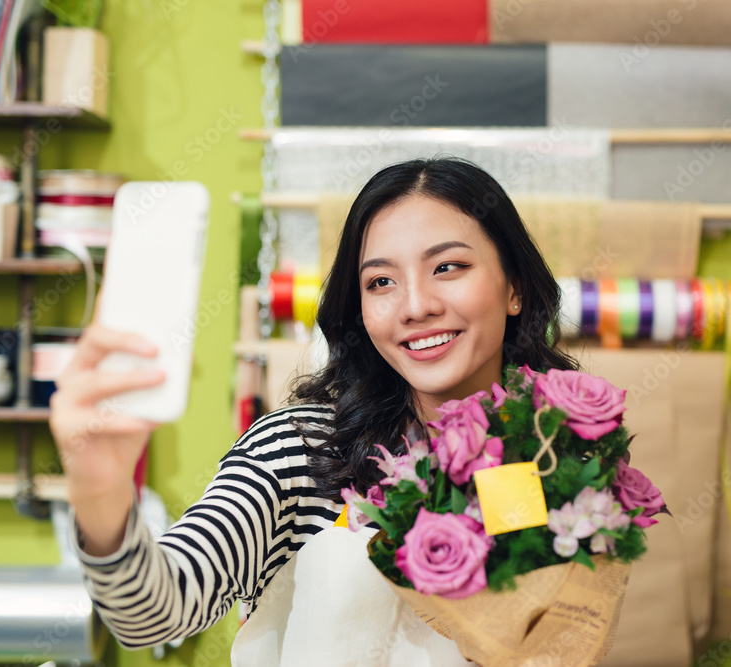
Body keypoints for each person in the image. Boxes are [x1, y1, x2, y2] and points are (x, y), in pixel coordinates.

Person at [49, 157, 579, 663]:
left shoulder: (558, 455)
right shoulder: (300, 449)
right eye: (381, 282)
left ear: (515, 288)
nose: (416, 306)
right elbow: (157, 614)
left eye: (448, 266)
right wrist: (102, 497)